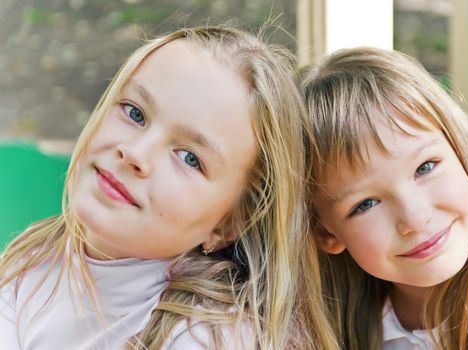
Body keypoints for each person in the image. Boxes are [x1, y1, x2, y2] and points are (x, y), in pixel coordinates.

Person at [0, 26, 338, 349]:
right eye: (134, 113)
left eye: (189, 158)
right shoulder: (29, 261)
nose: (135, 153)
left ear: (231, 222)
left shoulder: (212, 337)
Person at [299, 47, 468, 349]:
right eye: (365, 204)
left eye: (425, 167)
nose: (415, 219)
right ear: (325, 233)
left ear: (461, 151)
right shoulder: (311, 335)